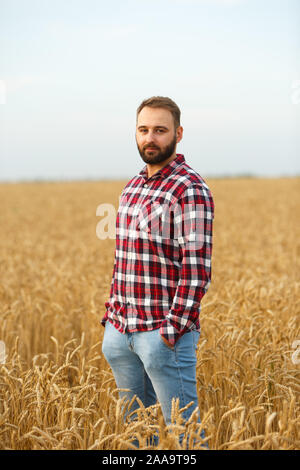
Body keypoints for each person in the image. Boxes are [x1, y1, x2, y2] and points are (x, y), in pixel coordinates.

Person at [101, 96, 214, 448]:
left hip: (163, 336)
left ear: (178, 133)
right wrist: (111, 317)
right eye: (144, 129)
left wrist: (171, 331)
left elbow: (196, 270)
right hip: (122, 333)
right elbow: (124, 258)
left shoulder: (189, 188)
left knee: (186, 437)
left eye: (160, 130)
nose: (151, 138)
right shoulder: (133, 187)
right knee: (136, 436)